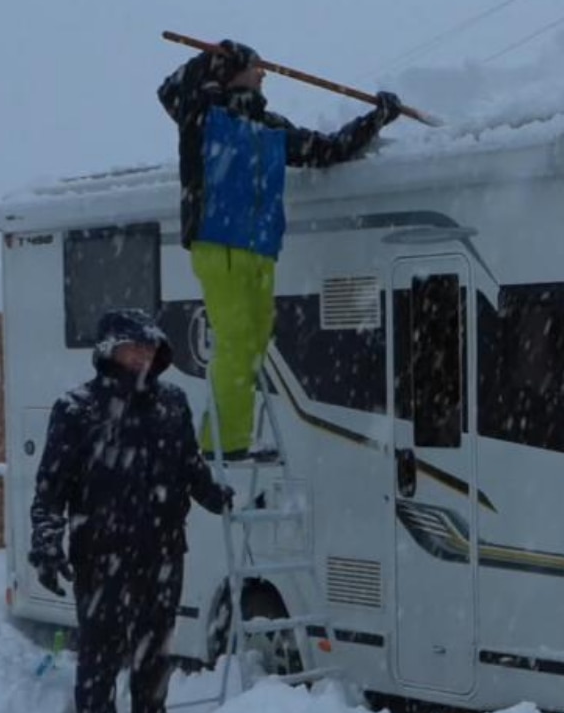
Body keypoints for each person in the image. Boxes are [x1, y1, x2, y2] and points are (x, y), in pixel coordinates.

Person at [158, 39, 405, 459]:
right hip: (220, 242)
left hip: (261, 247)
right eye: (256, 66)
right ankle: (222, 442)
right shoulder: (202, 114)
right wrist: (212, 58)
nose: (264, 73)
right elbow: (171, 89)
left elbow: (325, 150)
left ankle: (233, 435)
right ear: (232, 70)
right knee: (236, 341)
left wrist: (376, 118)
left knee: (256, 340)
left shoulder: (270, 127)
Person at [30, 310, 233, 713]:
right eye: (133, 347)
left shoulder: (172, 403)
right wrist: (46, 543)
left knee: (153, 658)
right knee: (100, 661)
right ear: (108, 351)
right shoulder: (76, 408)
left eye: (150, 347)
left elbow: (188, 464)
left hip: (162, 554)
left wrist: (213, 493)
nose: (143, 356)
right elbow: (51, 487)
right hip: (101, 556)